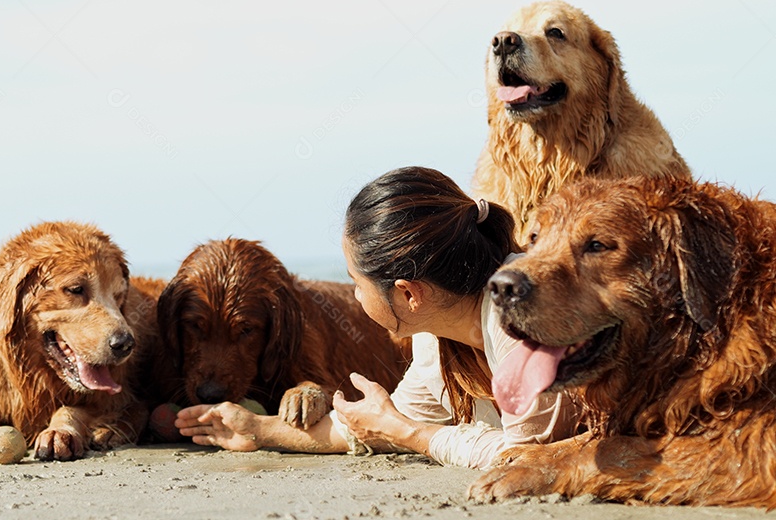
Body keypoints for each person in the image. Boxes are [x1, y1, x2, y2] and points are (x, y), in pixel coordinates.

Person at [175, 166, 578, 469]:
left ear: (407, 294)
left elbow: (526, 458)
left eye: (356, 282)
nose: (352, 294)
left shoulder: (520, 311)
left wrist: (411, 435)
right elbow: (379, 424)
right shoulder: (434, 336)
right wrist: (256, 430)